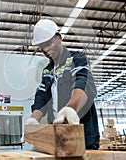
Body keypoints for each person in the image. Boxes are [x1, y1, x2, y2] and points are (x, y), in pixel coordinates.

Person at [26, 19, 100, 150]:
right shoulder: (47, 71)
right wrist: (34, 119)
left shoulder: (76, 59)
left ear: (59, 38)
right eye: (41, 47)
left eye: (48, 44)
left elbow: (83, 83)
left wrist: (70, 109)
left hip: (82, 137)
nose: (45, 49)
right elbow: (42, 97)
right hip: (58, 137)